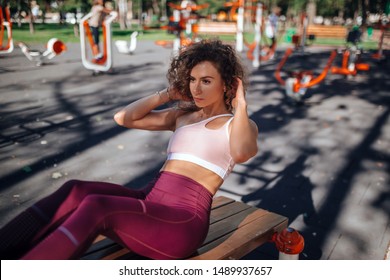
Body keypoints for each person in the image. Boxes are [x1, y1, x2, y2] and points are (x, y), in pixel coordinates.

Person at [0, 39, 258, 260]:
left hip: (181, 223)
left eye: (206, 80)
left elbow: (242, 152)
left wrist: (242, 104)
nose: (196, 88)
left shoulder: (238, 125)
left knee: (98, 206)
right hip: (147, 201)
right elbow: (124, 118)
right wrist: (167, 94)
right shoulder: (182, 115)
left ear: (227, 85)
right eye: (192, 79)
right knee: (77, 189)